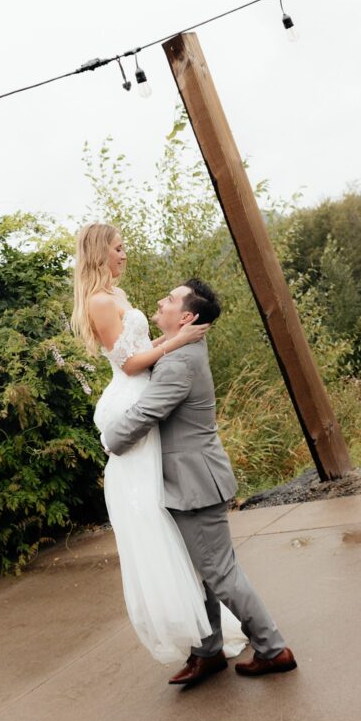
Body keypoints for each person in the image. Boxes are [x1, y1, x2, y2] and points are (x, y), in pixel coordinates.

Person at [102, 278, 297, 687]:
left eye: (170, 300)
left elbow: (144, 415)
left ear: (187, 317)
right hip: (184, 480)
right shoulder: (178, 351)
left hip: (194, 483)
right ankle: (207, 652)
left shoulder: (179, 363)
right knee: (199, 571)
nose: (161, 300)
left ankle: (273, 648)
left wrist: (110, 440)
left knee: (220, 572)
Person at [72, 223, 246, 666]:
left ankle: (205, 639)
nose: (124, 254)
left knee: (166, 509)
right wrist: (178, 341)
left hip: (145, 390)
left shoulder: (119, 296)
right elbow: (129, 364)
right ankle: (191, 633)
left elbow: (142, 346)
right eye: (118, 248)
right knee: (150, 513)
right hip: (130, 398)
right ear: (99, 253)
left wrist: (169, 342)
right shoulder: (98, 301)